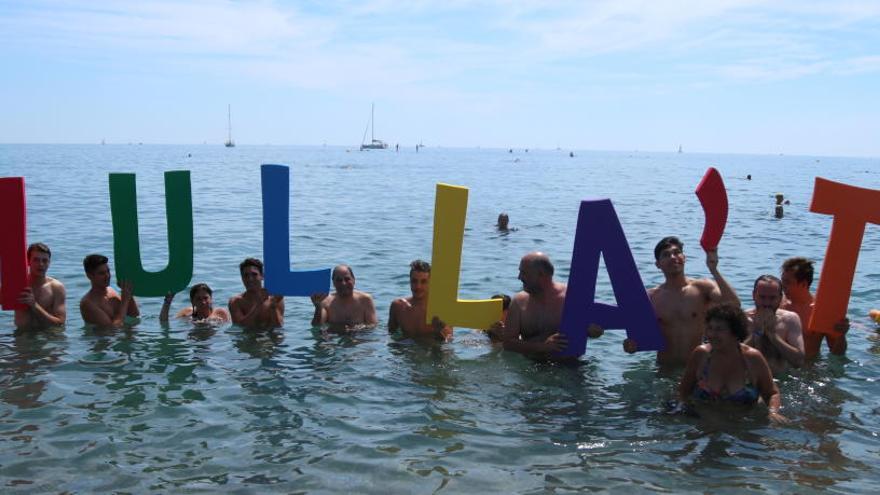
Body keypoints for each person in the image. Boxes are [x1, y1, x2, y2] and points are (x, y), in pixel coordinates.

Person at [624, 237, 740, 367]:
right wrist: (632, 345)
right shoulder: (651, 297)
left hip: (698, 369)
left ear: (684, 258)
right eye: (666, 255)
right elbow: (637, 336)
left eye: (677, 252)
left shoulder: (702, 288)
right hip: (664, 369)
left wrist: (714, 269)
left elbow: (734, 304)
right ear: (658, 264)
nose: (673, 257)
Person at [679, 304, 786, 424]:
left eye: (719, 329)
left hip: (743, 427)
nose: (712, 334)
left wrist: (773, 413)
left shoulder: (753, 358)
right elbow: (683, 392)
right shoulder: (701, 354)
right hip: (705, 424)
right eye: (710, 328)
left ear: (735, 332)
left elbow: (772, 393)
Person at [502, 252, 601, 359]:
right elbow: (508, 343)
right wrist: (542, 347)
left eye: (524, 273)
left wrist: (593, 331)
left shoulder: (572, 297)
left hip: (570, 365)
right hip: (532, 366)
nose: (519, 277)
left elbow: (594, 330)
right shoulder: (518, 302)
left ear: (541, 274)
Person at [780, 257, 849, 358]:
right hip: (780, 368)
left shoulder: (820, 311)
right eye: (782, 281)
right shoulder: (777, 303)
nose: (782, 286)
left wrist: (841, 335)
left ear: (803, 284)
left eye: (788, 282)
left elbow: (837, 353)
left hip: (807, 369)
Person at [746, 275, 805, 375]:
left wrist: (773, 335)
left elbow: (798, 361)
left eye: (772, 298)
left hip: (782, 382)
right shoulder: (743, 319)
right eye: (762, 297)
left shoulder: (790, 320)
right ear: (754, 295)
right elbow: (731, 359)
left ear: (780, 298)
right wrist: (756, 333)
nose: (767, 303)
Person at [388, 260, 451, 341]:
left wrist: (438, 332)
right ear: (409, 281)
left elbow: (448, 342)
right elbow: (390, 335)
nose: (418, 286)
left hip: (431, 350)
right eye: (414, 281)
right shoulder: (397, 307)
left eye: (423, 282)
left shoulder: (442, 309)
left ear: (431, 283)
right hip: (405, 350)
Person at [12, 243, 66, 330]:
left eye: (44, 260)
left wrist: (35, 306)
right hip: (21, 336)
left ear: (49, 263)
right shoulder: (16, 285)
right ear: (28, 261)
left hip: (47, 337)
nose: (41, 264)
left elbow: (60, 323)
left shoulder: (56, 288)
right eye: (36, 260)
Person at [79, 253, 139, 327]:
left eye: (108, 271)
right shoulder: (88, 303)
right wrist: (125, 301)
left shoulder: (111, 291)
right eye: (102, 273)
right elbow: (112, 330)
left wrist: (128, 294)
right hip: (100, 338)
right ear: (89, 276)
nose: (107, 276)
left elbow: (134, 315)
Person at [310, 264, 377, 329]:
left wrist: (357, 328)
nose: (343, 283)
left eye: (347, 279)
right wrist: (318, 306)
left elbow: (372, 326)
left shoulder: (365, 300)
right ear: (333, 283)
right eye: (339, 280)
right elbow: (317, 326)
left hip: (358, 336)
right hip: (335, 336)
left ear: (354, 280)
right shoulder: (326, 301)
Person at [228, 258, 284, 329]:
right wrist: (258, 304)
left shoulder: (274, 298)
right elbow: (239, 327)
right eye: (246, 275)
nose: (250, 279)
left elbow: (278, 327)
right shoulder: (236, 302)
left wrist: (273, 307)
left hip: (268, 337)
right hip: (248, 338)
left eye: (254, 274)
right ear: (242, 278)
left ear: (262, 276)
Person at [160, 283, 230, 323]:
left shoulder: (220, 313)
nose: (203, 302)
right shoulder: (187, 313)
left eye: (205, 298)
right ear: (192, 301)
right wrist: (167, 301)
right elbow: (164, 321)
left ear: (211, 299)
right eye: (198, 299)